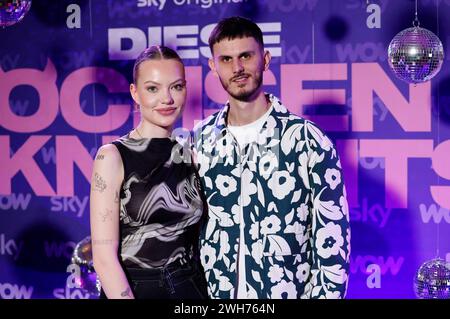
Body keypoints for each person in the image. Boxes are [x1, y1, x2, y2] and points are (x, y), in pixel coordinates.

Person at [193, 16, 350, 299]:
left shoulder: (306, 139)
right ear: (213, 67)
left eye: (245, 56)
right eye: (226, 59)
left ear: (264, 59)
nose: (237, 68)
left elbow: (333, 240)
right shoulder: (199, 140)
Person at [90, 45, 208, 299]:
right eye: (153, 88)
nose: (167, 99)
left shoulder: (192, 154)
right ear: (135, 92)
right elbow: (103, 257)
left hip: (190, 287)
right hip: (135, 289)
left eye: (176, 87)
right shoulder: (112, 156)